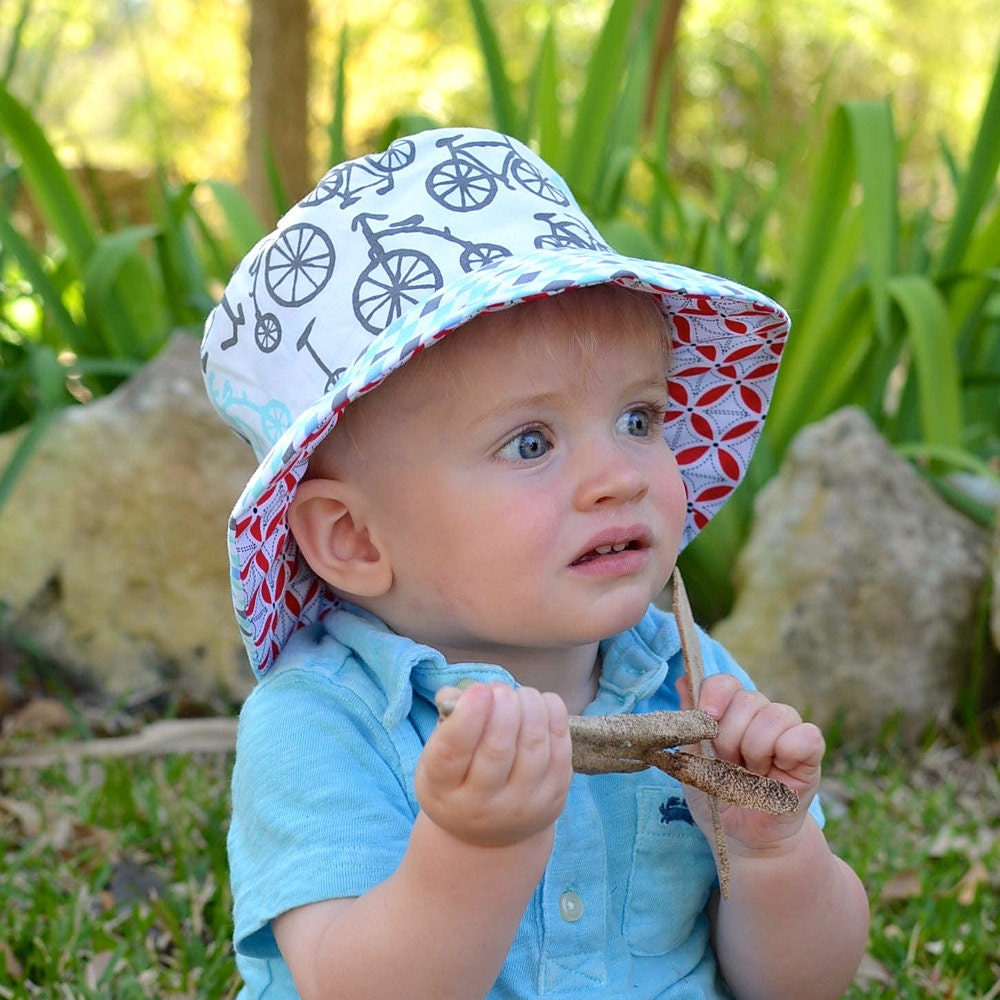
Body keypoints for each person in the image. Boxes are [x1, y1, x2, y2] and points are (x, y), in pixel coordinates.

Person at [201, 126, 869, 1000]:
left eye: (639, 419)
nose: (618, 477)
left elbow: (803, 986)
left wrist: (773, 853)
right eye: (530, 441)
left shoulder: (690, 687)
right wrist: (473, 850)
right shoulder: (326, 724)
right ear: (357, 540)